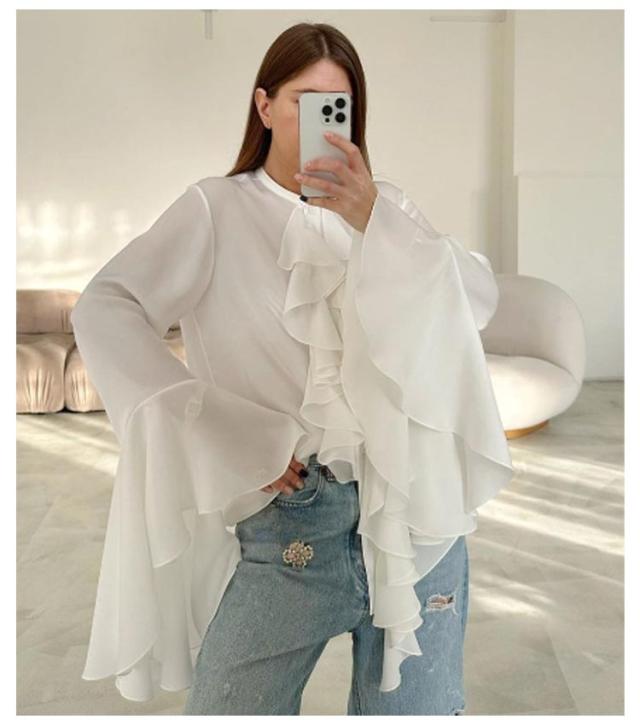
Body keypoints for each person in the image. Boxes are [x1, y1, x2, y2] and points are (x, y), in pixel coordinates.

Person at [71, 22, 513, 715]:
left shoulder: (387, 206)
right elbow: (105, 306)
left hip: (416, 522)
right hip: (293, 525)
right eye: (305, 102)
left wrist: (375, 220)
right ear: (265, 105)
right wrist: (217, 427)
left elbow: (476, 300)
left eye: (339, 105)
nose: (323, 121)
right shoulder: (216, 208)